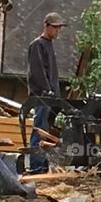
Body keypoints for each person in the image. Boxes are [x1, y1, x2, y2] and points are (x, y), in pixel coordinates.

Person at [26, 11, 65, 172]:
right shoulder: (38, 44)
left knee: (46, 131)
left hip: (50, 97)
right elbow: (37, 71)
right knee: (39, 129)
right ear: (46, 26)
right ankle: (36, 166)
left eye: (59, 28)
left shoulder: (49, 45)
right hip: (41, 97)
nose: (57, 31)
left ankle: (43, 165)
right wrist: (46, 90)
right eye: (55, 28)